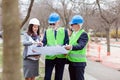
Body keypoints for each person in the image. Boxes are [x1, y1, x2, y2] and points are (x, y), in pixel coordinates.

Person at [42, 12, 69, 80]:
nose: (52, 25)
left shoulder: (64, 31)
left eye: (53, 23)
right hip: (49, 57)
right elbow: (44, 42)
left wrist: (63, 48)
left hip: (60, 58)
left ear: (58, 22)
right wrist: (40, 44)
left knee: (58, 77)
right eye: (50, 24)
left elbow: (67, 43)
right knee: (47, 77)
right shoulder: (47, 31)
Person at [64, 15, 89, 80]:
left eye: (72, 24)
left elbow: (80, 46)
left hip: (79, 64)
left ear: (78, 25)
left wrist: (71, 47)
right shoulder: (73, 34)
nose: (71, 26)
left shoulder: (83, 34)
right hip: (71, 62)